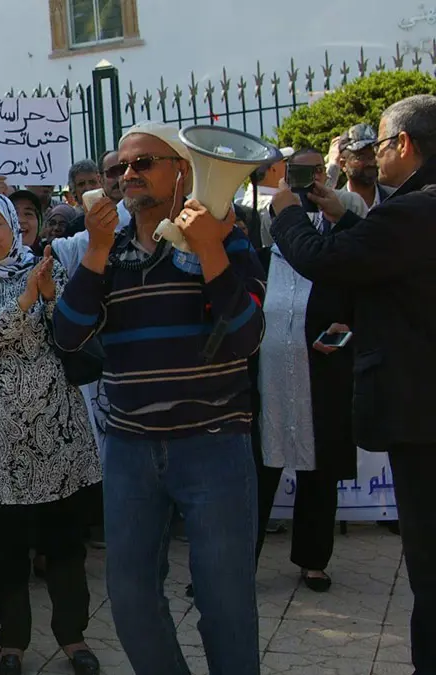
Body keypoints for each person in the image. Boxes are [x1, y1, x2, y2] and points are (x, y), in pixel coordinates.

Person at [53, 121, 266, 675]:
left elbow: (245, 336)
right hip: (129, 449)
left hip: (214, 445)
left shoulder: (228, 235)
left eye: (144, 163)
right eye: (120, 167)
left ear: (182, 172)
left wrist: (210, 250)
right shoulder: (108, 248)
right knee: (129, 599)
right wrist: (97, 250)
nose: (128, 175)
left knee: (225, 604)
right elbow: (67, 333)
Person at [269, 94, 436, 675]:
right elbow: (393, 272)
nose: (377, 156)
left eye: (383, 145)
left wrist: (287, 212)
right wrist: (341, 213)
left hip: (422, 416)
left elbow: (327, 260)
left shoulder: (414, 210)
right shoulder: (411, 213)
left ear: (405, 145)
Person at [0, 193, 102, 675]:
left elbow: (70, 333)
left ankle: (73, 636)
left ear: (16, 229)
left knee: (64, 546)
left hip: (56, 433)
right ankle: (13, 641)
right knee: (7, 550)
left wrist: (50, 296)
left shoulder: (47, 269)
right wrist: (25, 301)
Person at [257, 188, 360, 591]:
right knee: (257, 475)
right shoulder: (259, 258)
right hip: (266, 386)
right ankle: (238, 564)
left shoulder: (334, 259)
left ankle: (313, 561)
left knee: (318, 474)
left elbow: (360, 315)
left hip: (318, 381)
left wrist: (344, 336)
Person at [335, 123, 395, 209]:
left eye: (373, 155)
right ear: (343, 164)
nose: (371, 163)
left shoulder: (396, 199)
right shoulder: (335, 205)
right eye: (361, 157)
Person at [63, 160, 103, 237]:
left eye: (92, 182)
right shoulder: (72, 226)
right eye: (81, 184)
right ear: (73, 190)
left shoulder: (115, 212)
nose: (88, 188)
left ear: (101, 183)